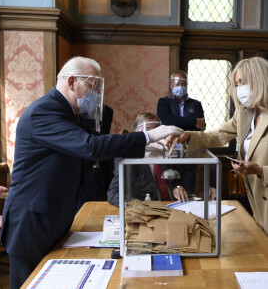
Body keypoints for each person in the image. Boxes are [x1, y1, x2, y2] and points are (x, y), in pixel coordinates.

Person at [0, 56, 184, 289]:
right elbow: (90, 146)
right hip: (31, 222)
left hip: (53, 217)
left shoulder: (69, 114)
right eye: (92, 85)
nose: (96, 93)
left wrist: (146, 146)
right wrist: (149, 135)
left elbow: (98, 141)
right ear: (72, 81)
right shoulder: (44, 111)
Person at [167, 56, 268, 234]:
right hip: (256, 199)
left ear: (259, 80)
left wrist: (260, 170)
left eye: (243, 82)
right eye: (236, 84)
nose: (239, 89)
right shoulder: (245, 114)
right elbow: (219, 135)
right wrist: (188, 136)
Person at [107, 112, 190, 208]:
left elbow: (177, 180)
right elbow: (113, 192)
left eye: (156, 130)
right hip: (147, 210)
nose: (154, 134)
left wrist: (177, 187)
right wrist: (132, 205)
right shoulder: (126, 157)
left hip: (172, 206)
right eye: (148, 130)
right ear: (136, 133)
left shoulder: (169, 153)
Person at [157, 70, 206, 194]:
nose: (181, 87)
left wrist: (187, 124)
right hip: (170, 150)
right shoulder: (163, 102)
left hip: (190, 151)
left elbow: (200, 128)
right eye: (178, 83)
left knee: (189, 188)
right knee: (172, 185)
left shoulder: (196, 104)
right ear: (171, 85)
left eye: (183, 84)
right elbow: (166, 120)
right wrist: (193, 121)